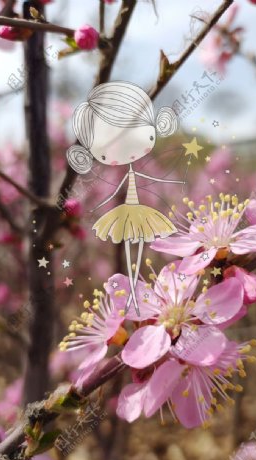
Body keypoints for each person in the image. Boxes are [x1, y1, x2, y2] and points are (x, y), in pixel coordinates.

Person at [67, 81, 184, 315]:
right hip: (125, 212)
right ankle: (131, 295)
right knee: (131, 248)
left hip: (137, 211)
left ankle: (137, 296)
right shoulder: (115, 168)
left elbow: (151, 179)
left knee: (138, 249)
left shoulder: (138, 165)